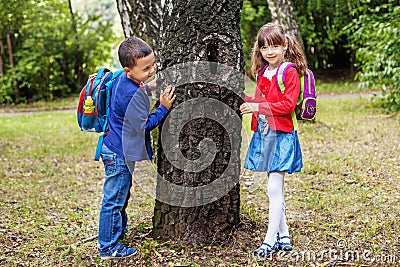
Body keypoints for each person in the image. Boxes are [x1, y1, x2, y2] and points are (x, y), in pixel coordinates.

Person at [98, 37, 176, 260]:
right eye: (146, 69)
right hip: (118, 153)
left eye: (153, 65)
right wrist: (163, 108)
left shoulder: (126, 80)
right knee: (114, 199)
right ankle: (108, 247)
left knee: (120, 195)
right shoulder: (129, 93)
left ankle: (117, 233)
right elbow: (144, 125)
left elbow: (139, 89)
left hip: (116, 147)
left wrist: (149, 86)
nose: (152, 71)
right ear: (128, 70)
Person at [240, 22, 307, 257]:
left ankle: (270, 240)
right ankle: (284, 234)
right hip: (265, 135)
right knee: (274, 189)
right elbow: (259, 100)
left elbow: (287, 105)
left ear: (285, 45)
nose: (270, 52)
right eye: (265, 47)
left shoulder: (289, 71)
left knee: (273, 188)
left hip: (282, 136)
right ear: (259, 49)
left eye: (275, 46)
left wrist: (256, 105)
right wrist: (241, 97)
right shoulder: (261, 73)